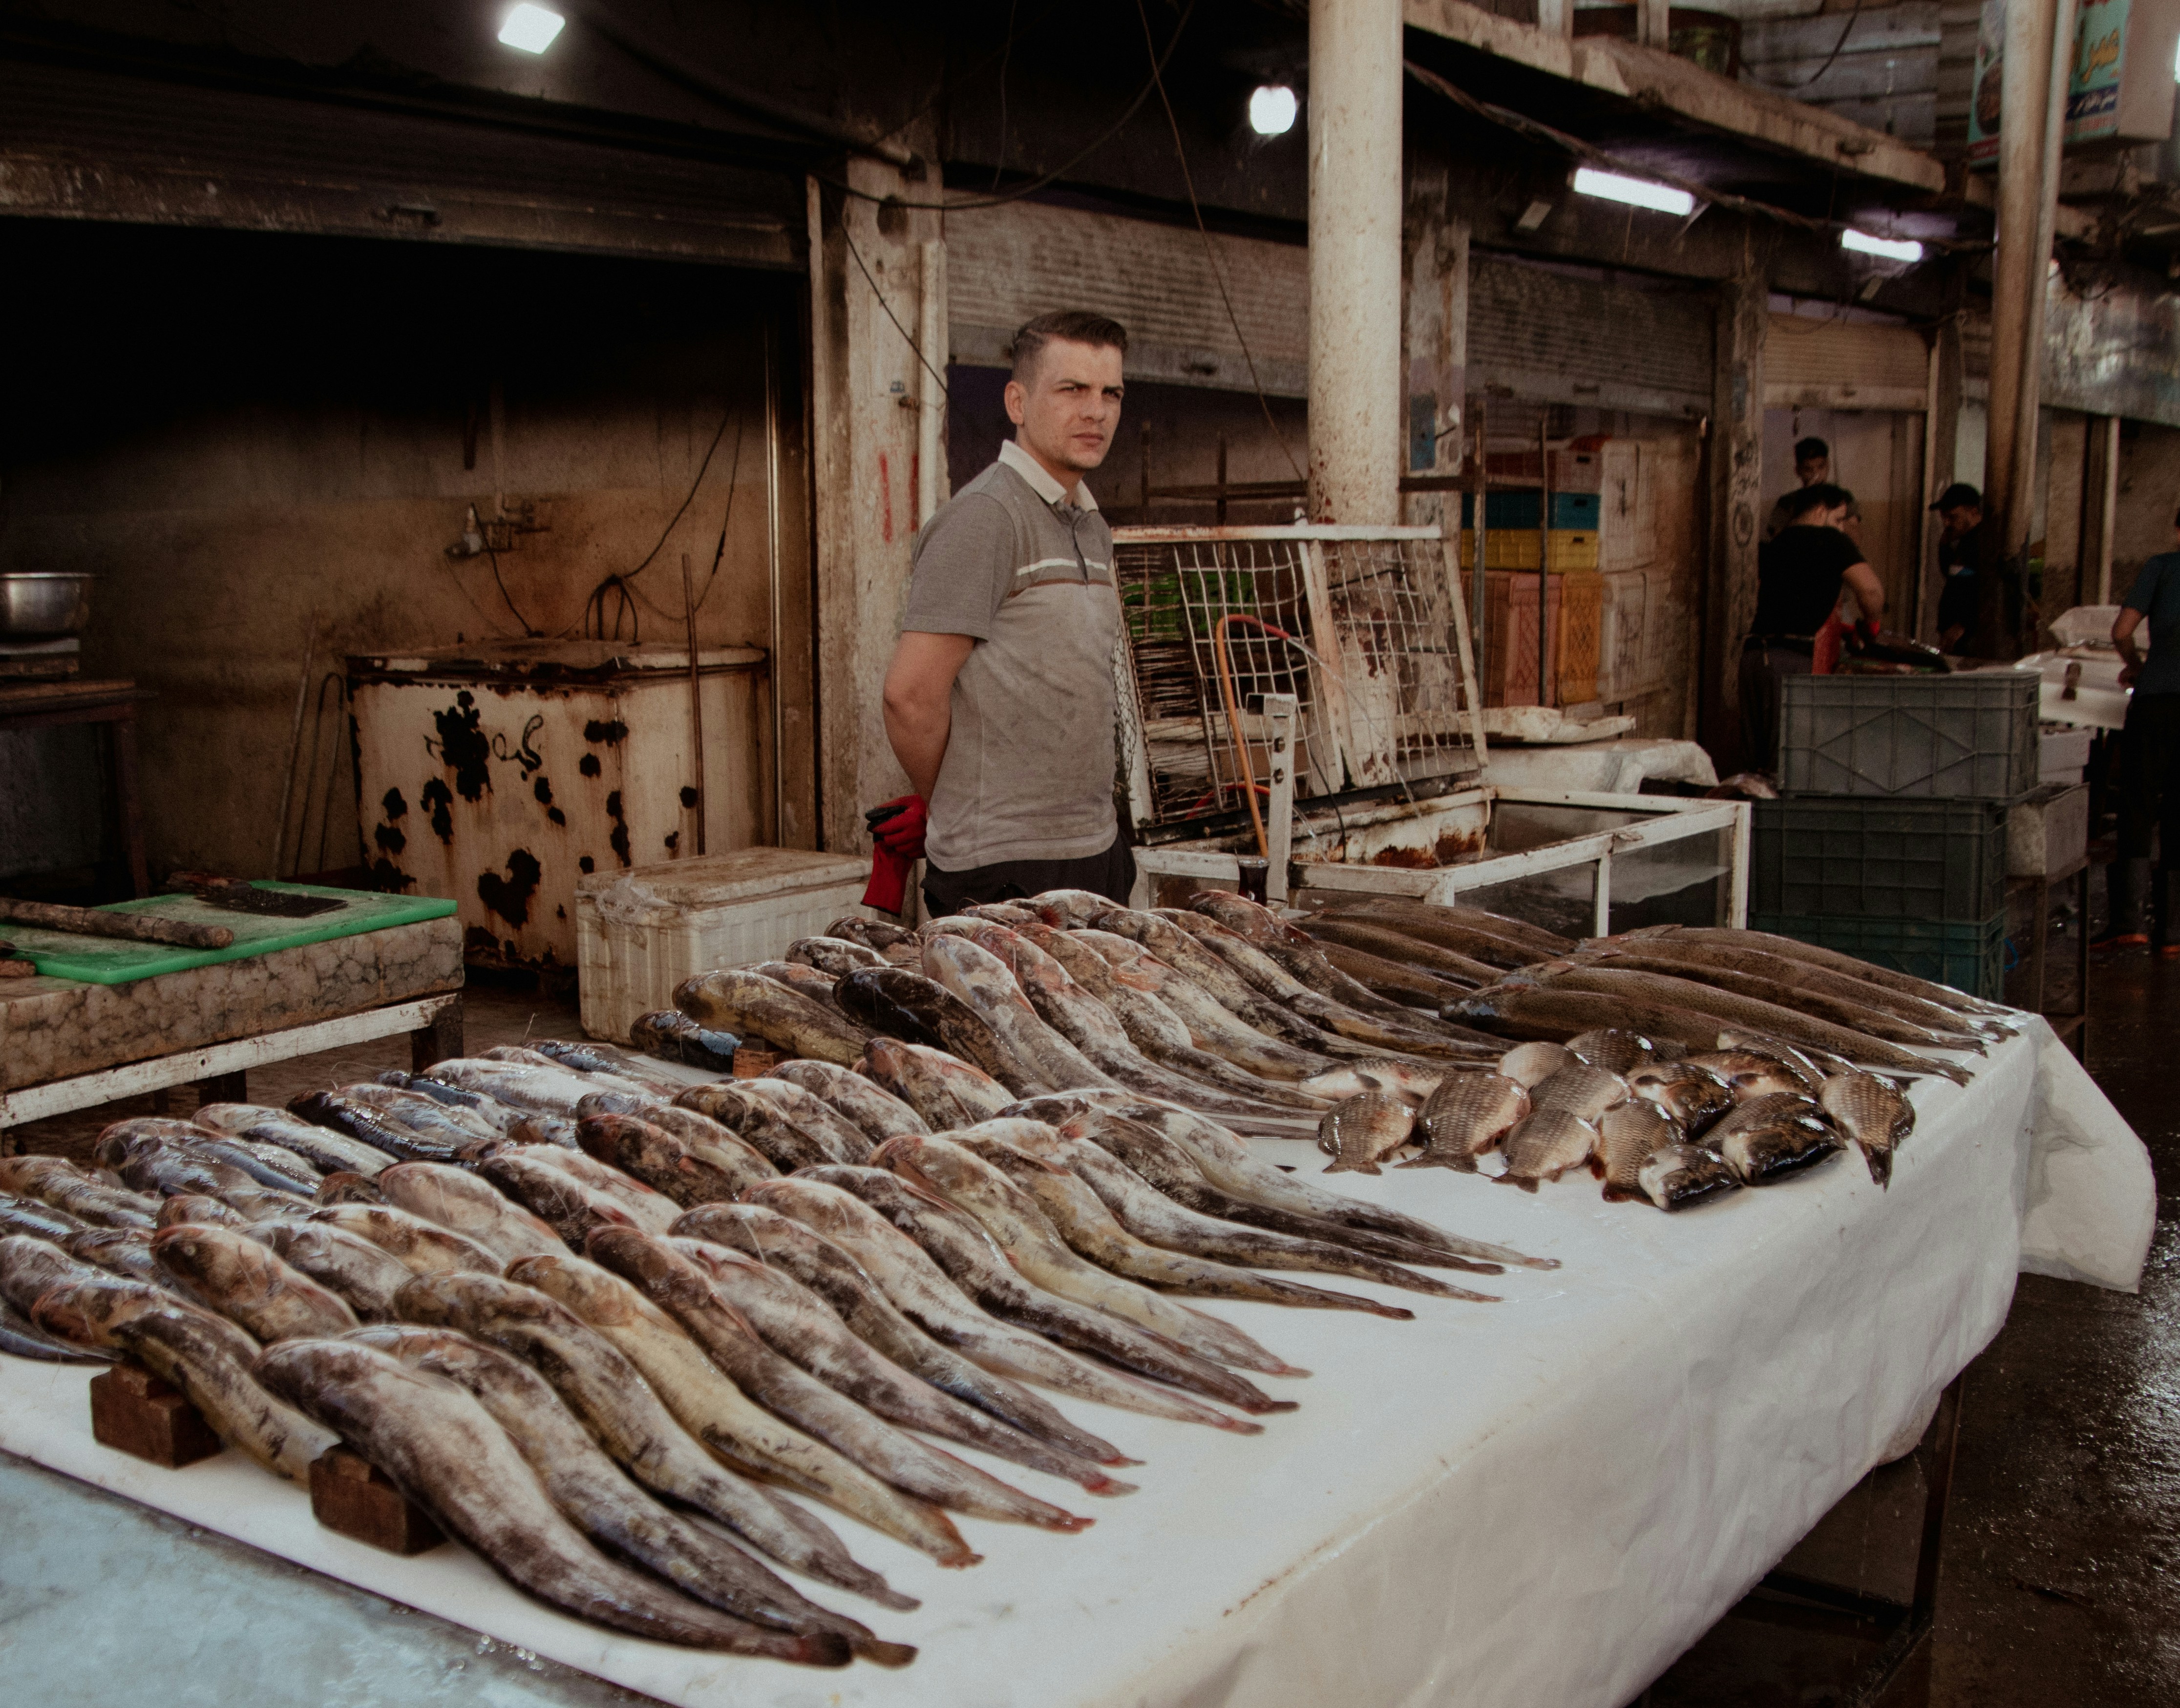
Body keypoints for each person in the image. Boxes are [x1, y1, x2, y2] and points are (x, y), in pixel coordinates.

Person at [872, 309, 1134, 919]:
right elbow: (909, 697)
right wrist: (953, 803)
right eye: (1072, 389)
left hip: (1095, 849)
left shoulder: (1091, 526)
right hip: (1002, 871)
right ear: (1017, 401)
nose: (1095, 411)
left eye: (1109, 393)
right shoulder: (986, 517)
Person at [1739, 483, 1886, 773]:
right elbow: (1871, 592)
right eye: (1839, 519)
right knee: (1786, 767)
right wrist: (1871, 627)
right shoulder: (1831, 540)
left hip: (1754, 659)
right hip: (1793, 665)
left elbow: (1791, 600)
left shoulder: (1776, 543)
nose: (1842, 527)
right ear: (1821, 510)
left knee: (1755, 765)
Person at [2097, 505, 2180, 952]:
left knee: (2138, 802)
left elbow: (2121, 630)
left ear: (2177, 527)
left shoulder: (2161, 568)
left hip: (2156, 700)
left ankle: (2129, 922)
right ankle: (2174, 933)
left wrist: (2137, 666)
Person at [1764, 436, 1863, 547]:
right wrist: (1807, 503)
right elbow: (1778, 543)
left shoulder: (1844, 497)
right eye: (1808, 469)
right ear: (1798, 471)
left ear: (1828, 465)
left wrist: (1833, 516)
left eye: (1821, 467)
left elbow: (1856, 540)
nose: (1816, 475)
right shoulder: (1787, 502)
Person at [1930, 482, 1990, 653]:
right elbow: (1952, 576)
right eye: (1944, 518)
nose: (1947, 523)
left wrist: (1963, 624)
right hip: (1953, 631)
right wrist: (1944, 547)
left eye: (1953, 517)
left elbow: (1983, 588)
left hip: (1968, 635)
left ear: (1974, 512)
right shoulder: (1962, 541)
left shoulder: (1983, 543)